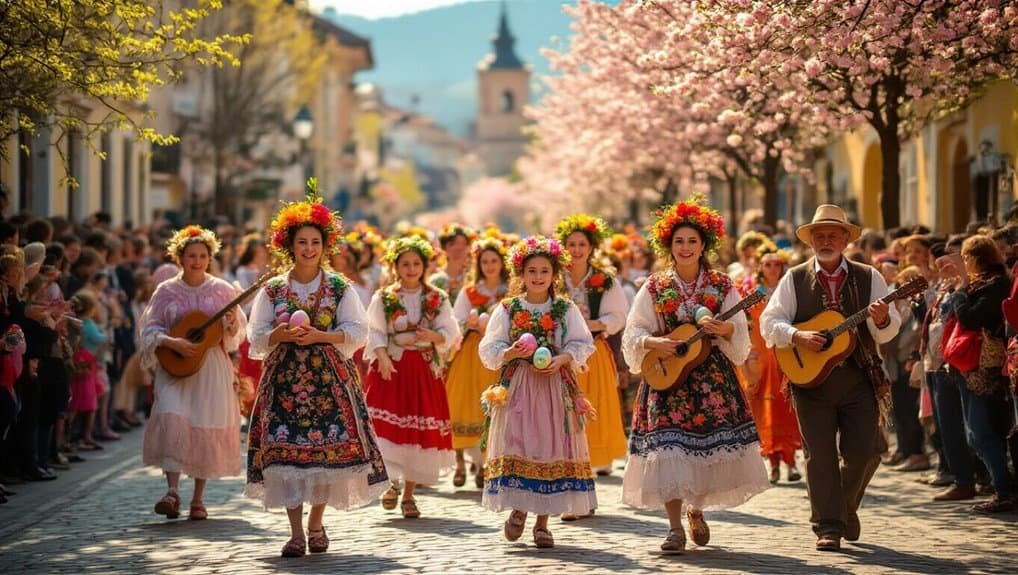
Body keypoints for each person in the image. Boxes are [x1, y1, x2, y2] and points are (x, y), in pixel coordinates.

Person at [245, 188, 388, 557]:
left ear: (325, 246)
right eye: (301, 242)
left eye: (315, 242)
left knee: (327, 453)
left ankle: (316, 524)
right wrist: (279, 335)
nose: (308, 248)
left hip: (328, 379)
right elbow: (255, 334)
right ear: (289, 246)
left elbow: (358, 331)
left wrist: (321, 335)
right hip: (284, 380)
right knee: (283, 454)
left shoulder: (340, 287)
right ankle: (294, 532)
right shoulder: (273, 288)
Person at [622, 198, 769, 554]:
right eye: (679, 242)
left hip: (711, 381)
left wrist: (726, 331)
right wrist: (655, 341)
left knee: (702, 453)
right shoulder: (654, 287)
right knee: (667, 450)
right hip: (666, 381)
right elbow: (633, 331)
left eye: (692, 241)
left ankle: (697, 508)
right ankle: (674, 528)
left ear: (704, 245)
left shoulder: (721, 285)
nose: (685, 248)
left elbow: (741, 332)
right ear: (669, 246)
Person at [759, 204, 901, 551]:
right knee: (819, 455)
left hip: (859, 377)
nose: (825, 241)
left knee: (868, 450)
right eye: (819, 235)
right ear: (811, 241)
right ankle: (828, 527)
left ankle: (843, 507)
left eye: (832, 235)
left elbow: (888, 331)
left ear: (844, 239)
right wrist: (797, 336)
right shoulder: (794, 278)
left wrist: (882, 318)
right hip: (810, 382)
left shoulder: (870, 277)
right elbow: (769, 322)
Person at [479, 235, 596, 549]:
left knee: (550, 446)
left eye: (544, 270)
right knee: (521, 443)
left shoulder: (564, 308)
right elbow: (490, 347)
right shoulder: (507, 309)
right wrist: (512, 353)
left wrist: (562, 358)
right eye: (532, 270)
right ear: (521, 274)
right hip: (519, 387)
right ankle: (519, 507)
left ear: (554, 274)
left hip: (553, 387)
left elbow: (582, 342)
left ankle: (543, 523)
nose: (538, 276)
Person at [139, 225, 245, 521]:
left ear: (210, 258)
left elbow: (236, 335)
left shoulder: (224, 289)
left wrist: (233, 322)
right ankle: (172, 491)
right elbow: (150, 326)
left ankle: (199, 499)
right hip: (175, 364)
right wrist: (172, 342)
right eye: (191, 256)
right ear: (179, 257)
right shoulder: (166, 290)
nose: (196, 261)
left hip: (210, 366)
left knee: (203, 424)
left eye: (202, 256)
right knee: (172, 417)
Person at [364, 236, 460, 519]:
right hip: (392, 366)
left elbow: (450, 331)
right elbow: (376, 330)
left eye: (416, 263)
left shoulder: (436, 298)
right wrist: (381, 356)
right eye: (405, 264)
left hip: (422, 368)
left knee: (417, 430)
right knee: (390, 428)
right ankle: (391, 483)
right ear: (395, 266)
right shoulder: (384, 297)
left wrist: (434, 336)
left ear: (425, 266)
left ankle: (409, 494)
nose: (411, 269)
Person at [939, 234, 1014, 513]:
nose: (964, 263)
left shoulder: (995, 285)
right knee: (978, 432)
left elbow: (970, 317)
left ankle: (1004, 490)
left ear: (975, 258)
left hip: (982, 368)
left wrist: (960, 292)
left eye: (966, 257)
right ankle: (1001, 487)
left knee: (981, 433)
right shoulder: (984, 283)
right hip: (968, 365)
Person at [555, 214, 628, 494]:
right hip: (558, 353)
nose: (576, 250)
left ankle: (586, 482)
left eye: (581, 244)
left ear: (591, 247)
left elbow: (618, 316)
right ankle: (566, 477)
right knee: (561, 414)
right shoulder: (553, 276)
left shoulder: (603, 280)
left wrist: (592, 324)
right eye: (571, 244)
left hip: (592, 353)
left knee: (590, 414)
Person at [445, 233, 509, 488]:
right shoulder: (469, 292)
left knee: (493, 408)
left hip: (497, 354)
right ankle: (460, 462)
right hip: (471, 353)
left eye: (494, 261)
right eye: (485, 262)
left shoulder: (510, 292)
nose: (490, 266)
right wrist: (468, 323)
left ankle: (486, 465)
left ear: (502, 263)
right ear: (478, 265)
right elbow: (454, 321)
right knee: (462, 403)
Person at [741, 242, 802, 483]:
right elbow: (742, 325)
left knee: (787, 408)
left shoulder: (791, 290)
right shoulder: (750, 293)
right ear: (760, 267)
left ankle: (790, 461)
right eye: (768, 264)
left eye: (777, 264)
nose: (773, 269)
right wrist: (746, 352)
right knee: (763, 408)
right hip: (760, 357)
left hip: (785, 354)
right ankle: (773, 463)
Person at [429, 223, 475, 303]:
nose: (459, 247)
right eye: (453, 244)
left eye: (463, 244)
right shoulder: (435, 280)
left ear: (468, 248)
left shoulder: (473, 278)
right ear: (444, 248)